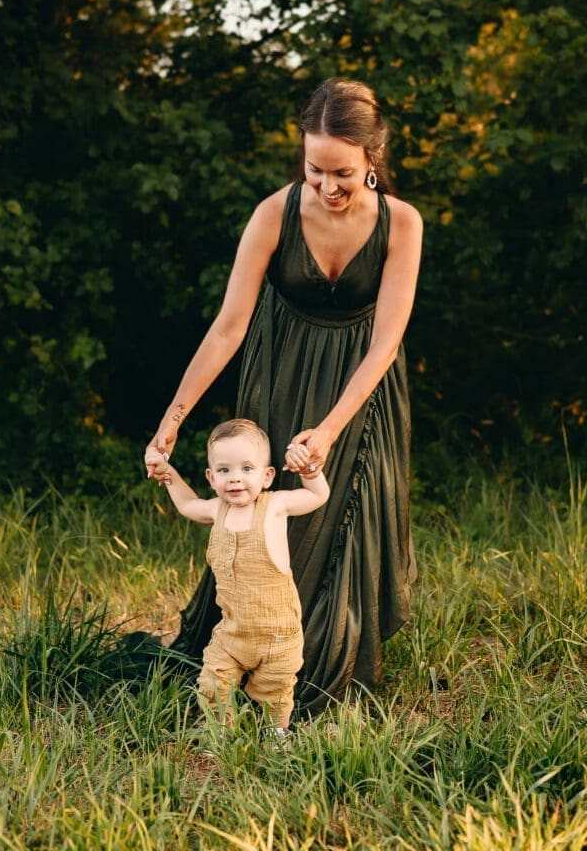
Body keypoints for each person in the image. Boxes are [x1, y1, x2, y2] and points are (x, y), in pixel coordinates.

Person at [147, 77, 423, 718]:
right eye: (314, 169)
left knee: (339, 516)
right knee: (266, 519)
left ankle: (327, 662)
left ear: (372, 159)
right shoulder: (274, 213)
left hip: (361, 389)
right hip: (282, 370)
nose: (328, 186)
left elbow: (385, 344)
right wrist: (173, 420)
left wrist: (327, 430)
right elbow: (228, 326)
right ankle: (240, 654)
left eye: (344, 173)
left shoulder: (401, 225)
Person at [145, 419, 329, 732]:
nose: (235, 479)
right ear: (211, 477)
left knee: (277, 691)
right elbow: (189, 504)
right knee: (213, 683)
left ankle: (277, 734)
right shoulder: (216, 510)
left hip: (278, 635)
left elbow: (317, 496)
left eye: (247, 468)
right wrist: (167, 472)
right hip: (232, 634)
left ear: (267, 475)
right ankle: (222, 736)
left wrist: (310, 473)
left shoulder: (273, 507)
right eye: (225, 470)